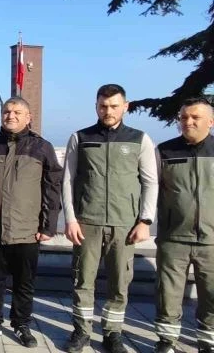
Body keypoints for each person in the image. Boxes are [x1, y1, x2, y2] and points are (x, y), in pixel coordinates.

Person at [62, 84, 158, 353]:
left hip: (124, 224)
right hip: (87, 222)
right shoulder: (80, 137)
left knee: (119, 283)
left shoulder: (139, 139)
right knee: (83, 280)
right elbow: (68, 181)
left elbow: (151, 183)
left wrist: (145, 221)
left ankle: (112, 334)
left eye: (114, 106)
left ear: (125, 106)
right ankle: (81, 331)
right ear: (96, 106)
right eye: (103, 106)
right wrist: (70, 218)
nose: (108, 111)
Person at [0, 97, 63, 347]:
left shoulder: (42, 148)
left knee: (24, 283)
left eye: (17, 112)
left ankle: (21, 325)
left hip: (27, 231)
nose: (11, 116)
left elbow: (53, 189)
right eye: (7, 111)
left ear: (28, 117)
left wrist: (48, 225)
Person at [153, 98, 214, 353]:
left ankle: (207, 342)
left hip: (212, 241)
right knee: (168, 295)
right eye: (183, 118)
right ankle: (166, 341)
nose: (188, 122)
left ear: (210, 121)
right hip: (173, 238)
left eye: (195, 117)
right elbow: (151, 189)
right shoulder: (165, 151)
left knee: (212, 296)